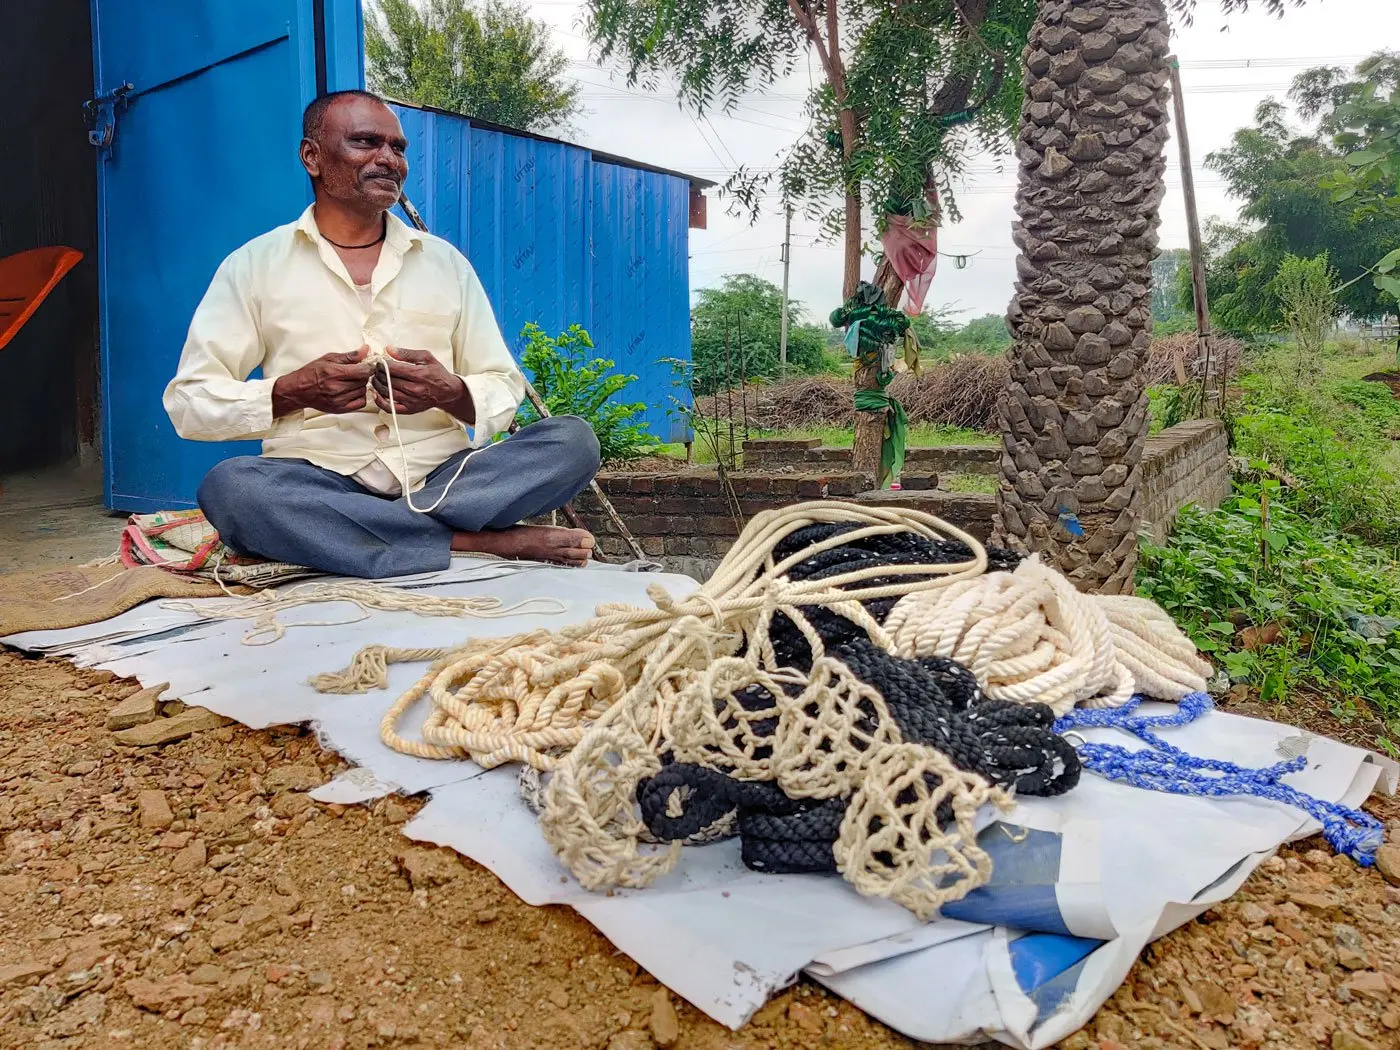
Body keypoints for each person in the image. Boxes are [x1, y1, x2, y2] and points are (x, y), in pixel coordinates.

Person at [164, 90, 599, 579]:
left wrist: (451, 393)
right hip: (319, 478)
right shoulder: (252, 266)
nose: (389, 159)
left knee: (573, 442)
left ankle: (370, 537)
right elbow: (190, 401)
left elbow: (502, 383)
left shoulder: (445, 264)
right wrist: (290, 392)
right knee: (233, 489)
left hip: (446, 477)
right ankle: (475, 541)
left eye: (398, 148)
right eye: (366, 142)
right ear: (312, 157)